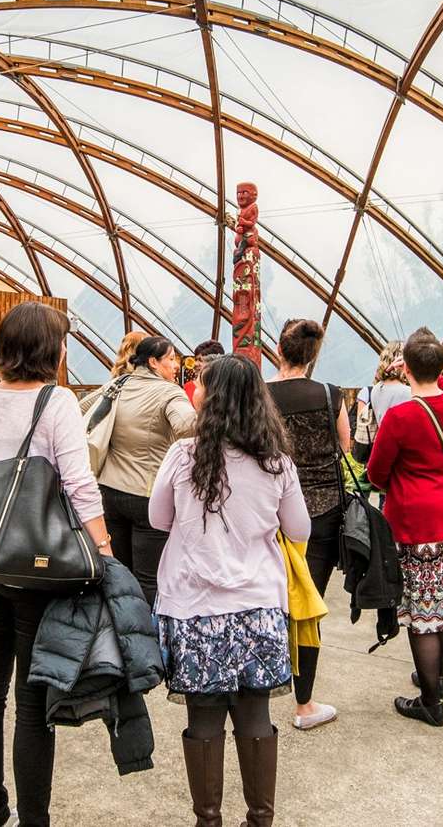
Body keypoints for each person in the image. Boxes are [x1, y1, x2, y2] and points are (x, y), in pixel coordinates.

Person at [0, 302, 115, 827]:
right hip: (37, 569)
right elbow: (78, 483)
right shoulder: (58, 402)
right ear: (53, 349)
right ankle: (34, 820)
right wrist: (103, 548)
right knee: (31, 699)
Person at [153, 354, 309, 827]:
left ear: (209, 398)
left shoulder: (184, 455)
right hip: (258, 606)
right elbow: (299, 528)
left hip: (195, 607)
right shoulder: (276, 463)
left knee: (203, 719)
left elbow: (158, 519)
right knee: (255, 714)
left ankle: (208, 820)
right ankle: (260, 819)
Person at [365, 330, 443, 727]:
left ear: (405, 368)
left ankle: (429, 700)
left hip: (414, 521)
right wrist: (432, 371)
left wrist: (411, 369)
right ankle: (438, 679)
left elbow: (376, 473)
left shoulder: (400, 415)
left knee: (422, 612)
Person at [265, 319, 352, 732]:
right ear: (312, 355)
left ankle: (259, 687)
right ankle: (305, 703)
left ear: (279, 350)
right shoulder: (330, 394)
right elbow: (346, 444)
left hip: (273, 507)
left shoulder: (262, 394)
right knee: (309, 606)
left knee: (268, 598)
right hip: (323, 509)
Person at [84, 336, 197, 609]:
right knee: (149, 579)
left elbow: (80, 410)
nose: (175, 364)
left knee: (118, 573)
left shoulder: (116, 385)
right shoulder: (170, 392)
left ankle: (118, 631)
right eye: (170, 358)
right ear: (153, 362)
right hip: (148, 497)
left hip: (109, 493)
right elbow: (186, 425)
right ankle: (147, 638)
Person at [183, 339, 225, 407]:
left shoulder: (225, 388)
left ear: (214, 362)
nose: (195, 364)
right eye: (195, 359)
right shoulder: (188, 387)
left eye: (200, 360)